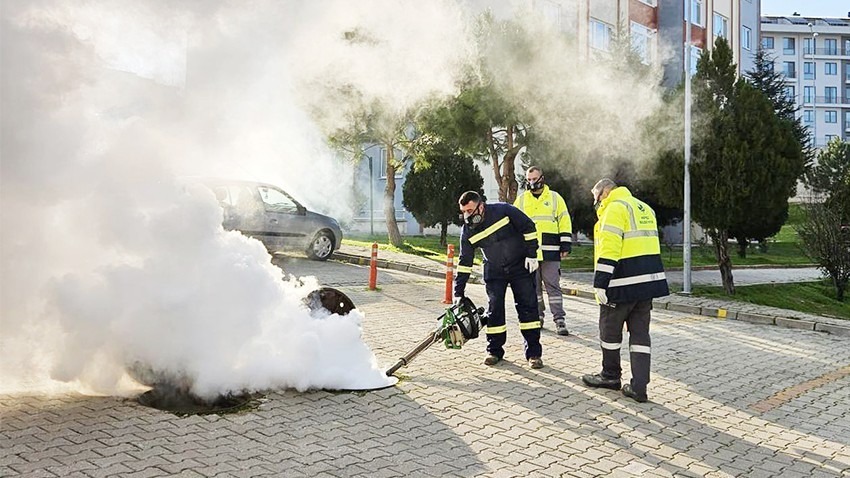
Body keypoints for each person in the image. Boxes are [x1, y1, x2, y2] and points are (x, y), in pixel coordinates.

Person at [581, 178, 669, 403]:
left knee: (609, 332)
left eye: (596, 197)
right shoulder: (644, 208)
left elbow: (609, 249)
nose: (596, 202)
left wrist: (600, 282)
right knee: (640, 335)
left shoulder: (614, 209)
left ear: (606, 192)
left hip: (621, 284)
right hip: (646, 285)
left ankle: (610, 376)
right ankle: (640, 387)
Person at [454, 191, 544, 369]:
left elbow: (529, 227)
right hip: (494, 271)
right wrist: (458, 292)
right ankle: (494, 351)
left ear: (481, 206)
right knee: (494, 310)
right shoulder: (468, 231)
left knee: (528, 308)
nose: (467, 216)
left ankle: (533, 354)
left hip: (521, 266)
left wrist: (532, 254)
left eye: (470, 210)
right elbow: (465, 262)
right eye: (464, 212)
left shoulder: (504, 210)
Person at [514, 166, 573, 336]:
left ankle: (559, 320)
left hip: (551, 251)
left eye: (534, 179)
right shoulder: (522, 199)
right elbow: (514, 223)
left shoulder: (555, 198)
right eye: (529, 179)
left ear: (542, 178)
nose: (531, 182)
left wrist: (566, 244)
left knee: (553, 286)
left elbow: (564, 220)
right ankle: (537, 316)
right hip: (530, 253)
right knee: (534, 287)